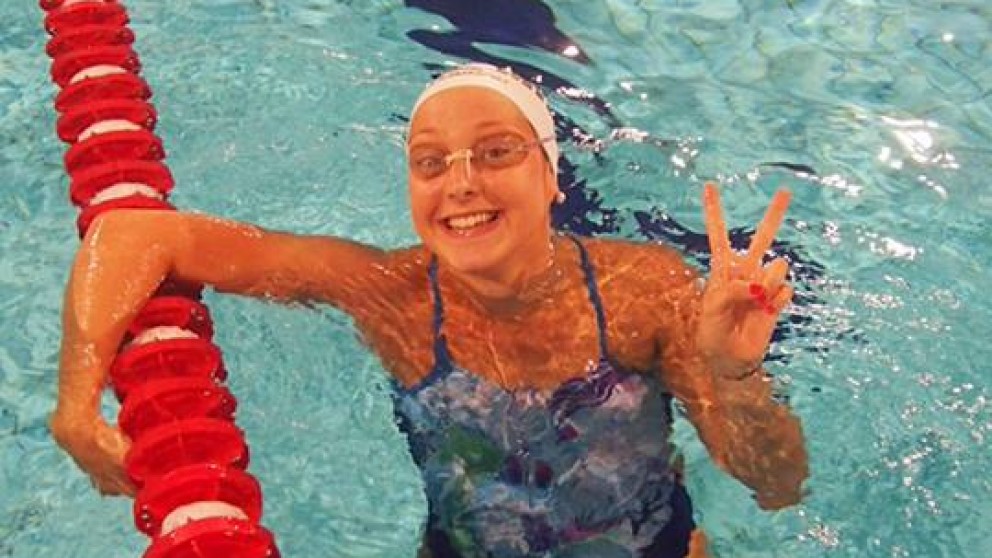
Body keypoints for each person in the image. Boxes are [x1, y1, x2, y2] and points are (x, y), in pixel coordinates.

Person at [49, 63, 808, 557]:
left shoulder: (642, 291)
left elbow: (776, 486)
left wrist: (733, 374)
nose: (461, 183)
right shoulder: (394, 297)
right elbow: (133, 234)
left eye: (497, 151)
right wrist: (76, 404)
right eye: (430, 162)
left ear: (552, 178)